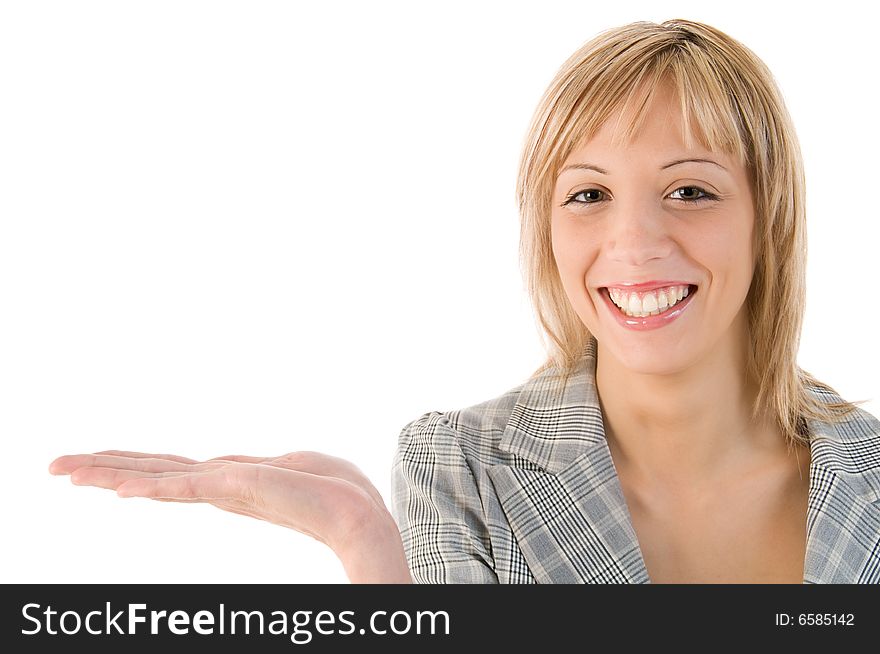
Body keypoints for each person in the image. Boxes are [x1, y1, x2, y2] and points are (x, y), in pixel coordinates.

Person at [49, 18, 879, 584]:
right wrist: (369, 549)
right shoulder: (459, 471)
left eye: (690, 190)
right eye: (587, 196)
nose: (634, 244)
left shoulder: (868, 477)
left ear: (770, 218)